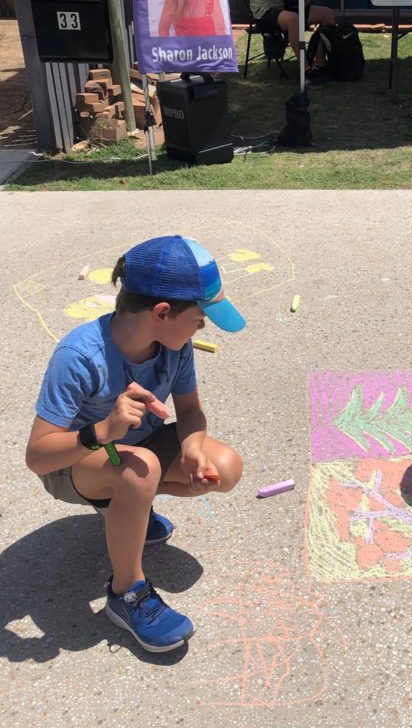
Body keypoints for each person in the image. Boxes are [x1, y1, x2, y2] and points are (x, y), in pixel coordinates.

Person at [25, 235, 245, 653]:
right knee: (138, 469)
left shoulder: (174, 345)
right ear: (162, 312)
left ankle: (129, 506)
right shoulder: (79, 355)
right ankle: (127, 592)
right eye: (201, 317)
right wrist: (102, 431)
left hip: (134, 448)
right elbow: (37, 456)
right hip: (77, 461)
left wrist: (194, 448)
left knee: (226, 466)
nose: (204, 326)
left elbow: (192, 414)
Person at [248, 0, 335, 81]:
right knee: (294, 20)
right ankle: (306, 71)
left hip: (283, 5)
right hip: (264, 10)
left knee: (327, 14)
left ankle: (319, 63)